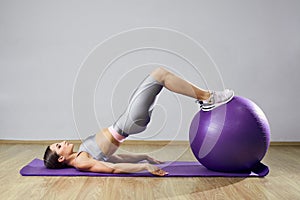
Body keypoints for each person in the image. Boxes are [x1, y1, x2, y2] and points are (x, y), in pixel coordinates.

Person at [43, 67, 234, 176]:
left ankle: (206, 97)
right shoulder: (81, 162)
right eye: (59, 146)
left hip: (128, 122)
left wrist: (144, 156)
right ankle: (208, 97)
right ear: (61, 158)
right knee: (160, 75)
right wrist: (144, 167)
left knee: (160, 78)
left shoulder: (82, 155)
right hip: (128, 123)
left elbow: (115, 158)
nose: (63, 142)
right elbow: (113, 168)